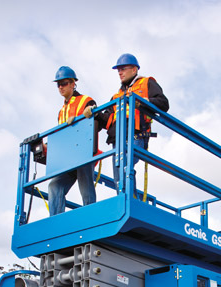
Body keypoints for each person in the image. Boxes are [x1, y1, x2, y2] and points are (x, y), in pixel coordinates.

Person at [94, 54, 169, 194]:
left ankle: (131, 202)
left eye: (123, 69)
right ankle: (128, 202)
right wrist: (95, 114)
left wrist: (145, 101)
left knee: (124, 168)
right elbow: (108, 119)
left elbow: (164, 103)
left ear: (134, 69)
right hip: (117, 141)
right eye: (118, 70)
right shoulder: (116, 97)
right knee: (119, 176)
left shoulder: (146, 83)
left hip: (136, 136)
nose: (120, 73)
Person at [48, 66, 97, 216]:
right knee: (54, 185)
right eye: (58, 84)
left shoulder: (85, 100)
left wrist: (91, 112)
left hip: (83, 154)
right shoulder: (61, 112)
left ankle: (90, 217)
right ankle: (56, 222)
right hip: (67, 159)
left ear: (72, 83)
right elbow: (59, 136)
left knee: (85, 185)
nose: (60, 87)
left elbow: (98, 120)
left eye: (64, 83)